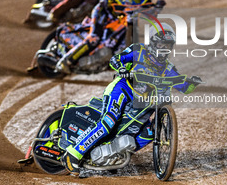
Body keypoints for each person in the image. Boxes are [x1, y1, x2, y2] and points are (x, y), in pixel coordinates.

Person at [61, 23, 203, 174]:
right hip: (123, 89)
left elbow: (183, 86)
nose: (164, 48)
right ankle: (73, 154)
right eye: (161, 43)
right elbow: (116, 59)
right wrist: (121, 67)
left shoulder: (168, 68)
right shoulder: (139, 50)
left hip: (143, 103)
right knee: (109, 121)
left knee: (150, 132)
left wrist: (193, 83)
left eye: (167, 45)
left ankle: (113, 156)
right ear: (153, 42)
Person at [56, 0, 164, 74]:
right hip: (104, 12)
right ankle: (66, 61)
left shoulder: (146, 2)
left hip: (118, 22)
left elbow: (151, 15)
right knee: (94, 38)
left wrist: (157, 8)